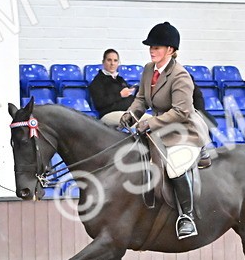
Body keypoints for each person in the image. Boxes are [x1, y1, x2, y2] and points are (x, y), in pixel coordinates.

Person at [119, 22, 210, 239]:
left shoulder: (181, 76)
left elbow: (180, 112)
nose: (152, 50)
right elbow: (141, 99)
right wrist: (130, 116)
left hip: (184, 129)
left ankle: (186, 217)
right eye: (150, 46)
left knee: (173, 166)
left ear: (170, 50)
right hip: (160, 126)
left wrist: (149, 123)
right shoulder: (149, 69)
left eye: (157, 47)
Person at [87, 48, 134, 126]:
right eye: (109, 60)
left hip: (126, 112)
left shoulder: (120, 79)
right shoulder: (98, 81)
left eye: (115, 61)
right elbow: (100, 103)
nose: (112, 63)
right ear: (103, 62)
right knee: (139, 122)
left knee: (151, 120)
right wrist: (120, 95)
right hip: (108, 114)